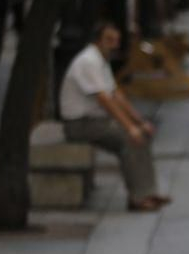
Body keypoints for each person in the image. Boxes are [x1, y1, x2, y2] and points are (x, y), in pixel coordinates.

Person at [60, 20, 169, 212]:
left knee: (142, 136)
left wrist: (139, 122)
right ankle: (138, 198)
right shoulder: (89, 61)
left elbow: (116, 94)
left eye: (116, 40)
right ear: (98, 40)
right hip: (79, 124)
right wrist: (130, 127)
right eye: (109, 40)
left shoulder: (101, 60)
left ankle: (148, 191)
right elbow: (104, 99)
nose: (114, 45)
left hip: (94, 120)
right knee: (129, 139)